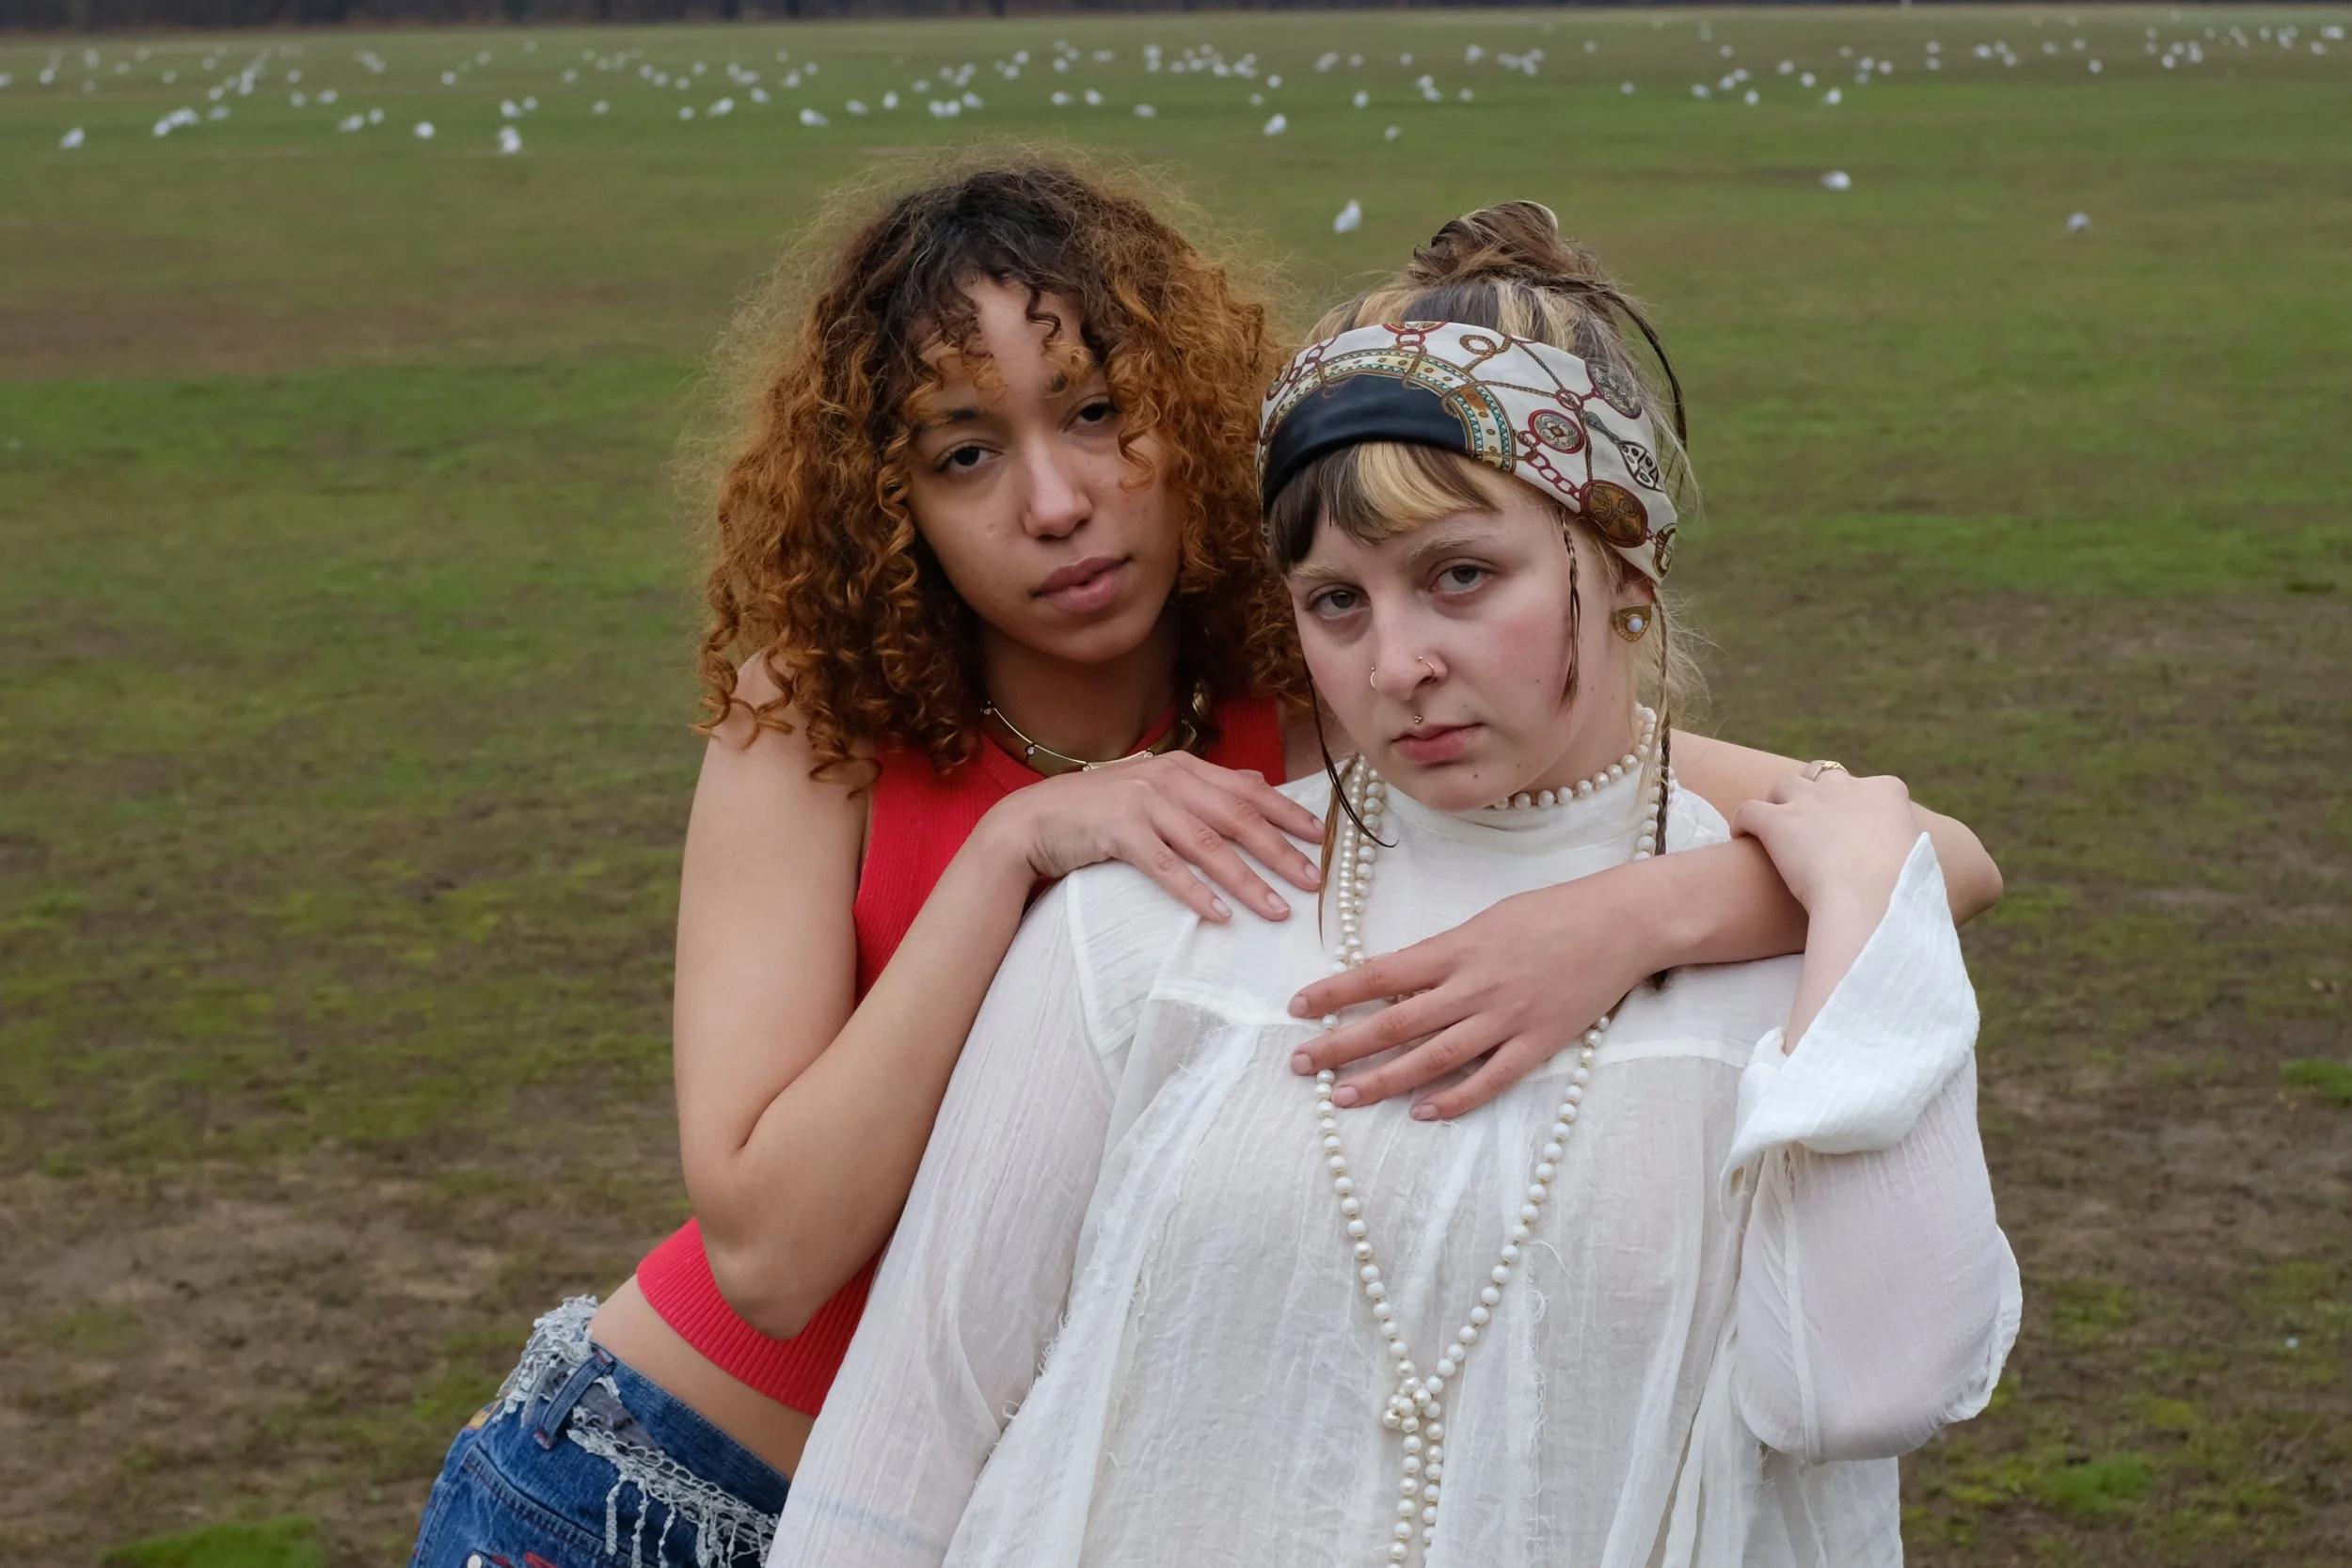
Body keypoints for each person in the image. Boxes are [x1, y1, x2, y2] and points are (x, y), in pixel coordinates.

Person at [406, 172, 2002, 1568]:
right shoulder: (811, 717)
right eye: (964, 454)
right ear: (885, 502)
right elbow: (767, 1252)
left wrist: (1615, 919)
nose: (1056, 500)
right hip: (657, 1489)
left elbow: (1920, 854)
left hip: (1001, 1492)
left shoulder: (1326, 667)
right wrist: (1015, 855)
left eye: (1099, 413)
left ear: (1190, 399)